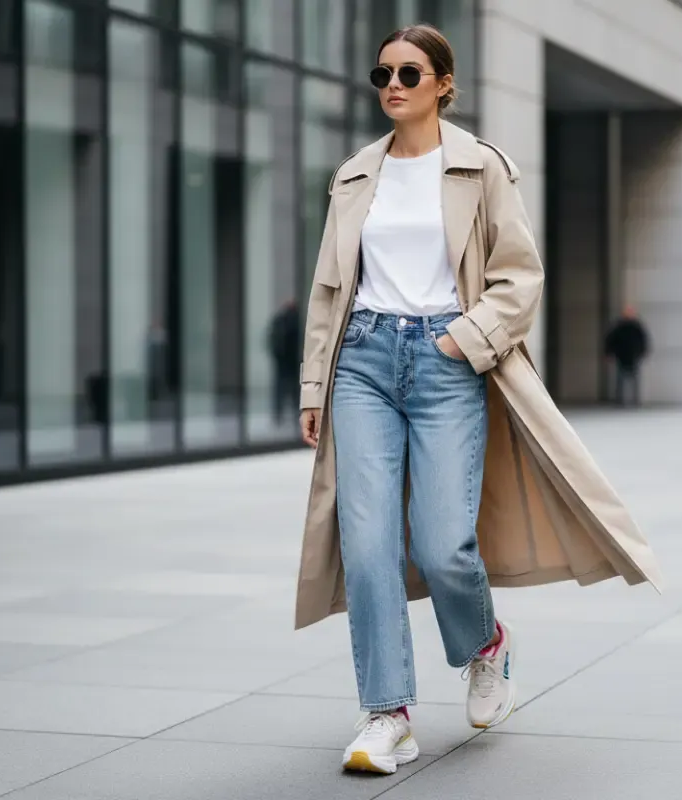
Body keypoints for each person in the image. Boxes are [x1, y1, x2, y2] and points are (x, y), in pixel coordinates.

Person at [295, 24, 662, 776]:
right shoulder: (355, 175)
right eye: (381, 73)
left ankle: (485, 645)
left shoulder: (480, 167)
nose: (391, 83)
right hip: (361, 361)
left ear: (442, 84)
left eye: (408, 71)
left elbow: (519, 275)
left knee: (442, 544)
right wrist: (314, 384)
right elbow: (330, 288)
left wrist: (465, 338)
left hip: (445, 364)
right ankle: (386, 714)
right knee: (367, 549)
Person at [604, 305, 650, 407]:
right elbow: (610, 340)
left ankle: (635, 401)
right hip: (621, 357)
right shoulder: (618, 326)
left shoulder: (637, 327)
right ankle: (619, 401)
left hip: (634, 357)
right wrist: (609, 353)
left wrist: (642, 352)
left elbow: (643, 340)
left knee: (634, 381)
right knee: (620, 381)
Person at [267, 299, 302, 426]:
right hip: (288, 361)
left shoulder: (280, 320)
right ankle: (288, 414)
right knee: (290, 389)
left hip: (285, 362)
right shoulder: (290, 321)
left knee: (284, 390)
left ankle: (281, 415)